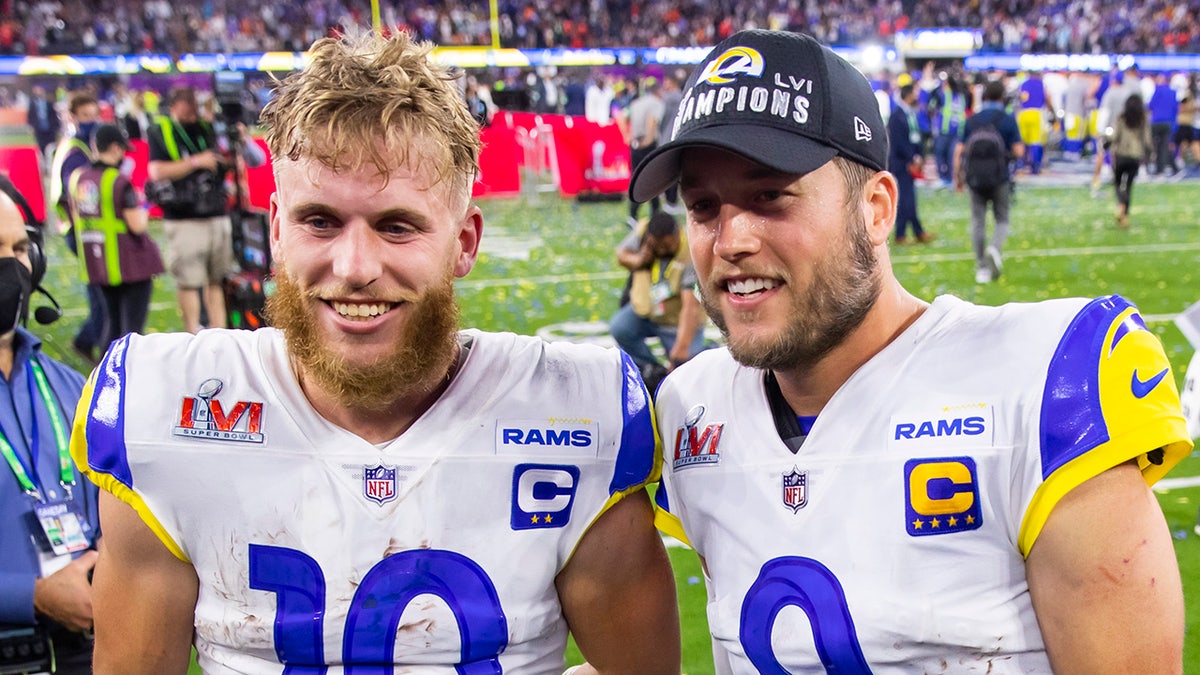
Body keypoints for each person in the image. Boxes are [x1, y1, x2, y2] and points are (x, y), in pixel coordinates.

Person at [75, 30, 679, 674]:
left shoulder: (578, 413)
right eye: (320, 221)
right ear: (277, 230)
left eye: (397, 225)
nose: (356, 266)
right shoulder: (164, 408)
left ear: (465, 242)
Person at [629, 29, 1190, 673]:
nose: (730, 239)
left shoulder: (1039, 387)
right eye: (704, 206)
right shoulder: (691, 410)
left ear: (876, 209)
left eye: (770, 196)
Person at [0, 179, 98, 675]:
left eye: (19, 248)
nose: (10, 266)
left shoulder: (70, 384)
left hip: (88, 647)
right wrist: (29, 595)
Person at [146, 85, 237, 334]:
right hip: (183, 217)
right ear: (175, 107)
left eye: (195, 108)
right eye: (188, 109)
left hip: (216, 213)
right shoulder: (161, 130)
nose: (193, 114)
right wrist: (196, 162)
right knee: (189, 281)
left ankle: (219, 334)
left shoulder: (209, 128)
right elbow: (156, 172)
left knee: (216, 280)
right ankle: (192, 334)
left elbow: (228, 162)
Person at [66, 123, 164, 349]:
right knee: (131, 333)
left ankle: (105, 376)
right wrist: (147, 204)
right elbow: (137, 225)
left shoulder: (79, 179)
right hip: (129, 264)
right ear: (115, 148)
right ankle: (126, 376)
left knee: (110, 325)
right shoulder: (118, 181)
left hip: (97, 263)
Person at [610, 210, 706, 390]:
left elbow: (690, 307)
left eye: (667, 245)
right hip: (648, 312)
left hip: (677, 322)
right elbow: (621, 254)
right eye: (657, 245)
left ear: (677, 233)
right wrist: (638, 260)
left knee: (688, 368)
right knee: (620, 327)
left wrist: (681, 350)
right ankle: (649, 367)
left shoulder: (692, 253)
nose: (661, 250)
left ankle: (707, 350)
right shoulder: (644, 231)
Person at [49, 90, 107, 364]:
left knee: (99, 289)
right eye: (85, 116)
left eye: (94, 115)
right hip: (82, 231)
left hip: (82, 229)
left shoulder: (75, 145)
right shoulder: (76, 151)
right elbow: (79, 195)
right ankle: (89, 340)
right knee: (100, 291)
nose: (91, 121)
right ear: (72, 117)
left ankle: (91, 339)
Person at [954, 79, 1025, 283]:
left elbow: (959, 151)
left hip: (975, 178)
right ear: (1003, 97)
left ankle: (981, 268)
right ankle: (994, 247)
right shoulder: (1008, 119)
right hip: (999, 177)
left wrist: (957, 177)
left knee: (978, 221)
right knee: (1002, 219)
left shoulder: (972, 120)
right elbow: (1019, 150)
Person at [887, 83, 931, 245]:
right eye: (915, 93)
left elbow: (916, 137)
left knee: (908, 197)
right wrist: (911, 158)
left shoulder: (911, 114)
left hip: (912, 160)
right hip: (902, 163)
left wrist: (919, 156)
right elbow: (898, 142)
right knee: (907, 198)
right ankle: (907, 233)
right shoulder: (896, 116)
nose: (917, 96)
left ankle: (910, 233)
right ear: (908, 95)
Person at [625, 77, 664, 227]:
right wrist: (648, 141)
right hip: (648, 145)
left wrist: (627, 137)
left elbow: (623, 117)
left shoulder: (636, 103)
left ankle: (634, 215)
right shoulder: (656, 104)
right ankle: (655, 214)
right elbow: (652, 122)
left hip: (635, 144)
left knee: (637, 180)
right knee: (653, 180)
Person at [1110, 94, 1153, 229]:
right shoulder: (1143, 119)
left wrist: (1107, 143)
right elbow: (1147, 139)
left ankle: (1121, 205)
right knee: (1128, 186)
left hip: (1121, 154)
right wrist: (1150, 153)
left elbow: (1115, 136)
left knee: (1117, 182)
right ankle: (1125, 217)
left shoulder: (1121, 118)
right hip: (1135, 156)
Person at [25, 84, 60, 168]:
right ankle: (44, 166)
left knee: (51, 147)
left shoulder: (49, 103)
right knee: (41, 148)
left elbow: (54, 117)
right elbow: (30, 117)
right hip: (39, 130)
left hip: (50, 129)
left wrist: (57, 128)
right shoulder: (32, 104)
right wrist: (31, 127)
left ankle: (52, 165)